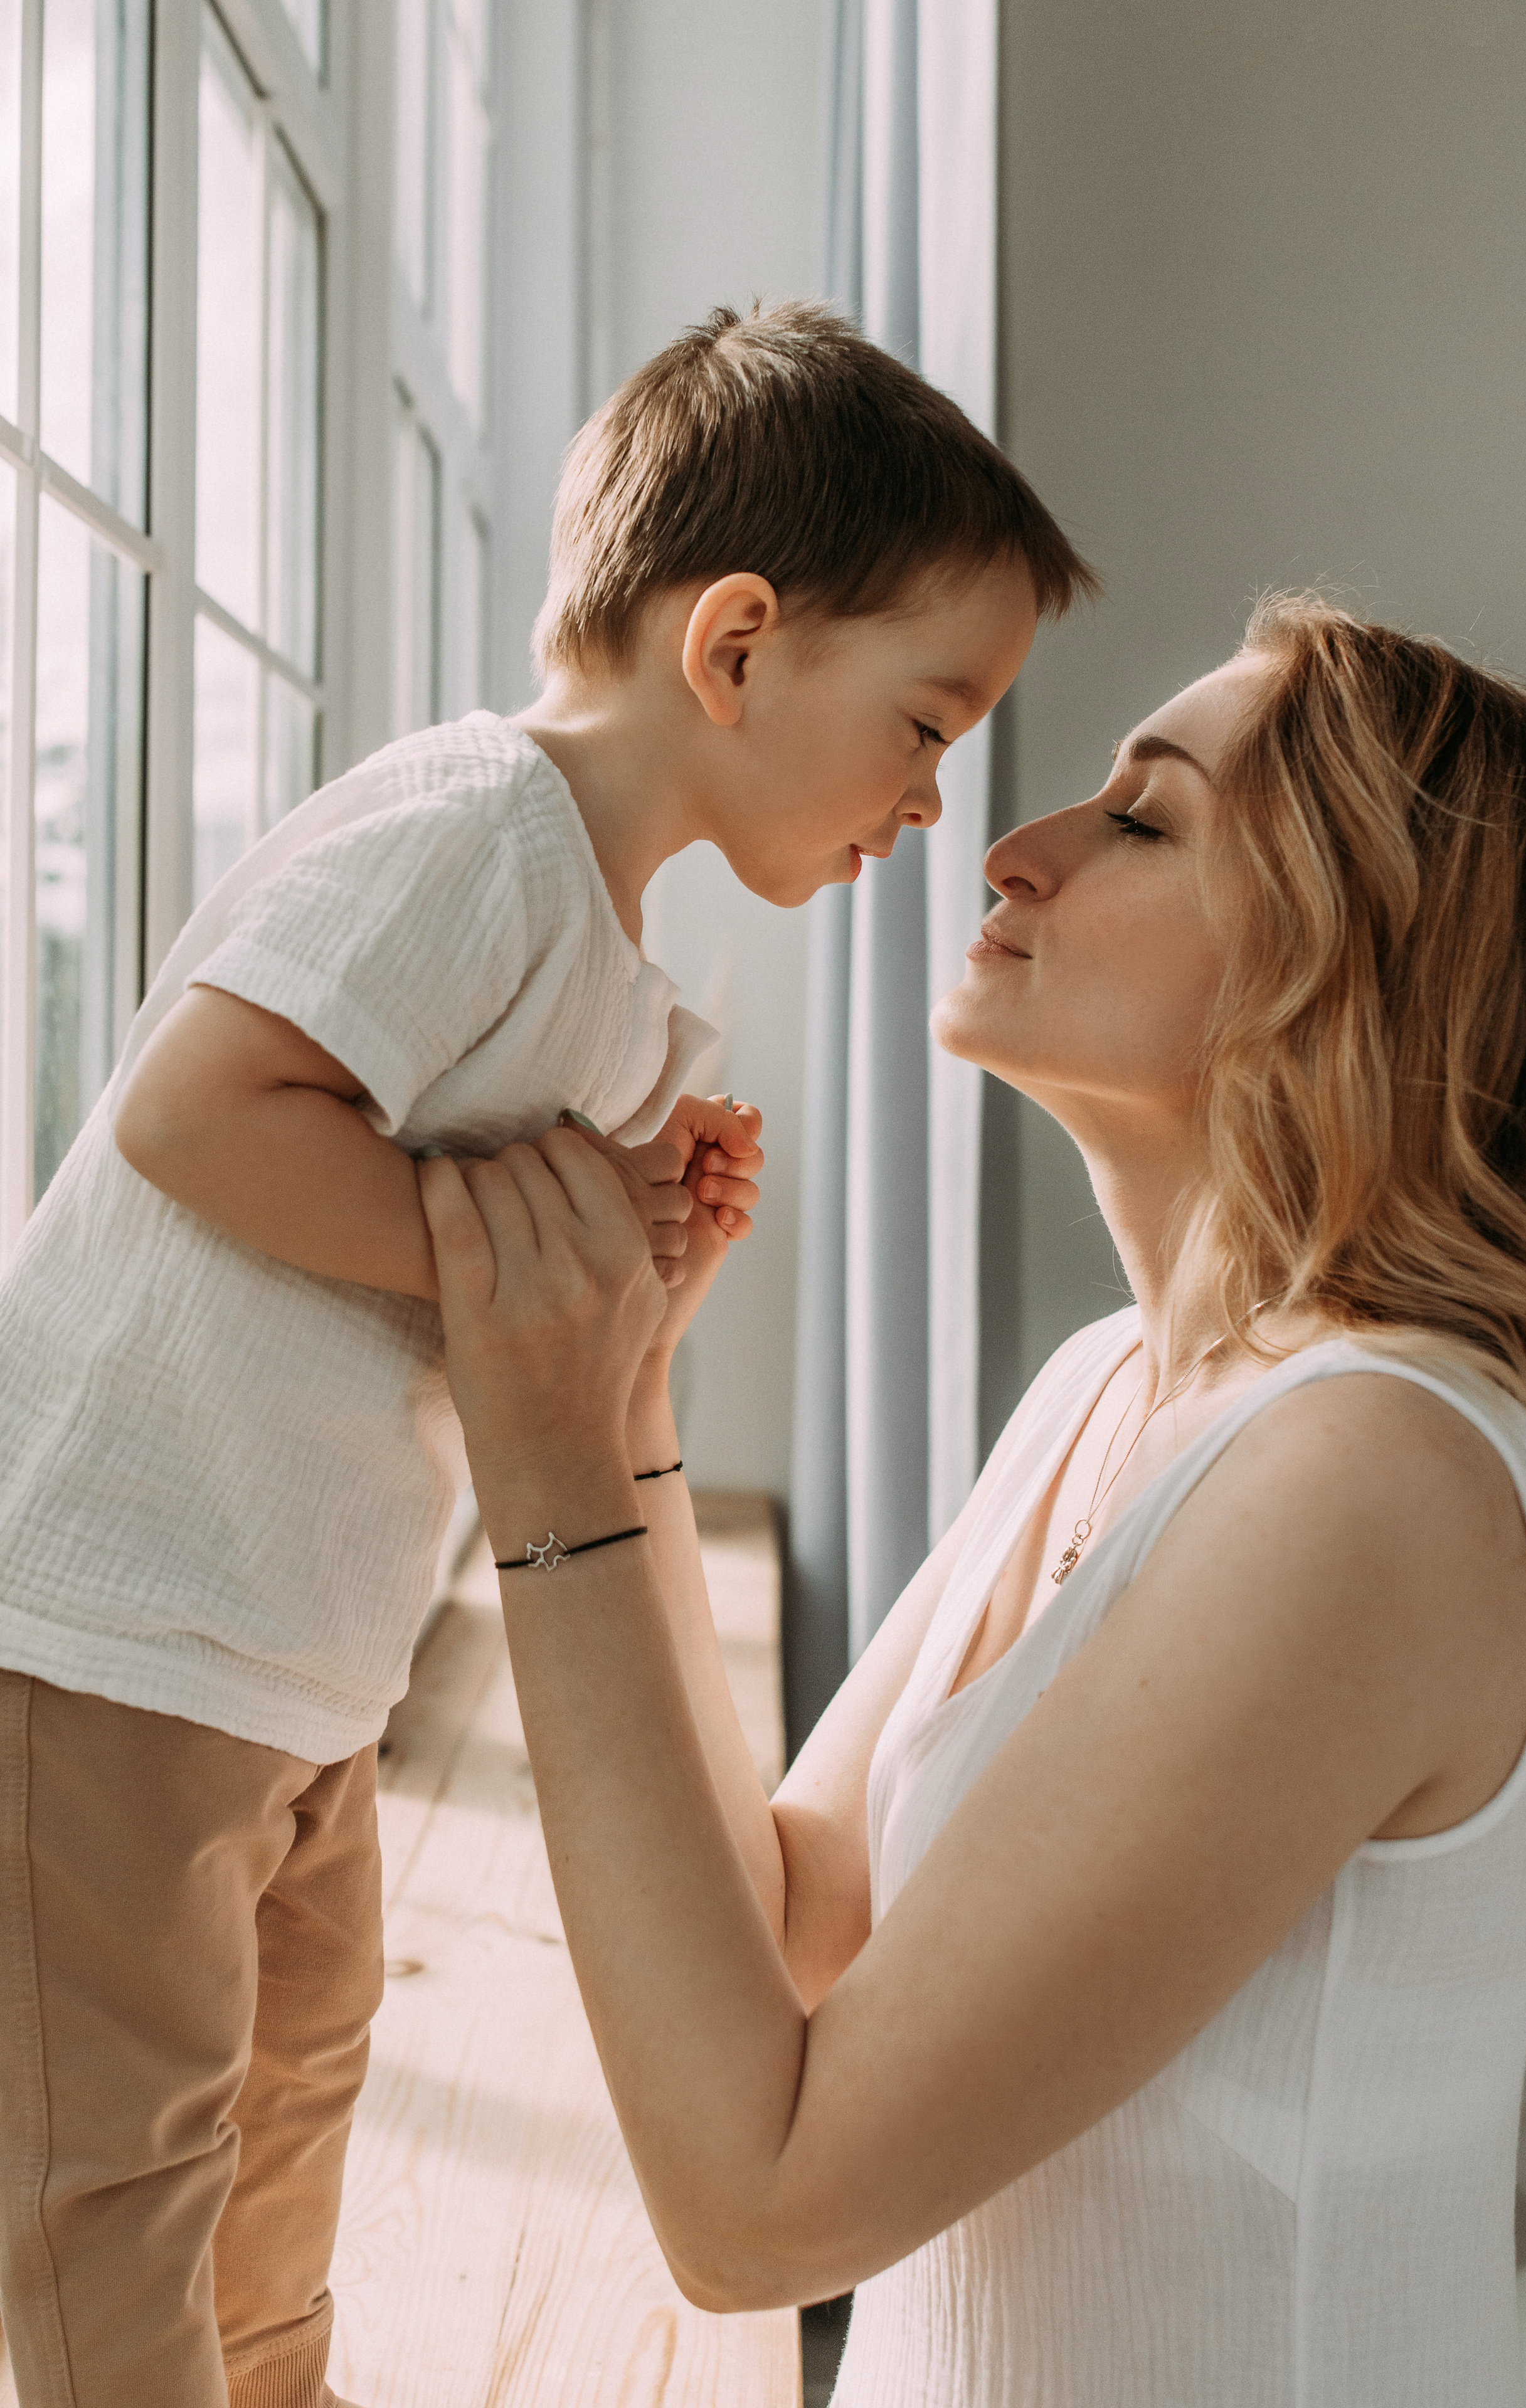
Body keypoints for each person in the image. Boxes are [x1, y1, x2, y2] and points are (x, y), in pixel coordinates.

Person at [0, 301, 1092, 2408]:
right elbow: (190, 1115)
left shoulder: (603, 949)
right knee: (112, 2159)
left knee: (295, 2088)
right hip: (114, 1618)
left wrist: (631, 1232)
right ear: (741, 647)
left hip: (287, 1648)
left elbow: (515, 1280)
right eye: (929, 726)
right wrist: (507, 1251)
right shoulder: (480, 832)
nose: (934, 808)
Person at [419, 595, 1526, 2408]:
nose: (1015, 848)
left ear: (1345, 962)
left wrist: (553, 1463)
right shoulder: (1108, 1390)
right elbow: (797, 1917)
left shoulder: (1380, 1475)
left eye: (1142, 821)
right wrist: (634, 1404)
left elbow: (763, 2212)